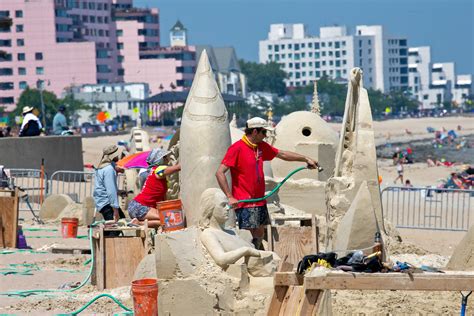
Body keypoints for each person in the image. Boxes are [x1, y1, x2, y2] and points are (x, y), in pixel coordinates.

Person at [216, 117, 318, 249]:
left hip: (260, 201)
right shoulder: (237, 149)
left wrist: (305, 158)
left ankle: (258, 257)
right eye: (264, 133)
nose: (265, 136)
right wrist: (230, 196)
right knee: (249, 235)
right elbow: (219, 172)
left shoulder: (261, 147)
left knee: (259, 233)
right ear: (254, 132)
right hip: (245, 202)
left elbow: (282, 154)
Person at [199, 188, 279, 276]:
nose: (228, 208)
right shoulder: (209, 234)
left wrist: (269, 254)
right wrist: (246, 250)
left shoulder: (231, 232)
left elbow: (254, 252)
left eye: (227, 205)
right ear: (210, 208)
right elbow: (220, 259)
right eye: (223, 205)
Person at [127, 148, 181, 228]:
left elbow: (162, 200)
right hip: (140, 207)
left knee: (166, 221)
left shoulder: (153, 171)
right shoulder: (158, 170)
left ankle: (138, 222)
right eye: (165, 157)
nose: (168, 159)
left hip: (137, 206)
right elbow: (177, 168)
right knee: (169, 219)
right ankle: (139, 223)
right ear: (160, 160)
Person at [93, 145, 127, 227]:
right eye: (120, 155)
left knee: (115, 225)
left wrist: (119, 192)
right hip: (107, 203)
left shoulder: (102, 166)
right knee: (116, 227)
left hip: (102, 201)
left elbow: (104, 186)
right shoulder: (109, 169)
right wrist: (115, 210)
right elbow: (110, 191)